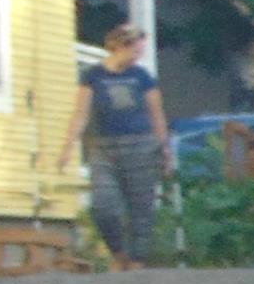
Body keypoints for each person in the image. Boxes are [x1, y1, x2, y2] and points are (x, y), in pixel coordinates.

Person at [55, 24, 173, 268]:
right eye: (135, 51)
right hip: (104, 147)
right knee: (103, 205)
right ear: (120, 46)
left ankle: (137, 262)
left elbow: (157, 115)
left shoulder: (142, 77)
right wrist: (67, 147)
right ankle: (118, 254)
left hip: (141, 145)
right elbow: (80, 114)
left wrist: (165, 149)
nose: (137, 57)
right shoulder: (93, 76)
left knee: (141, 208)